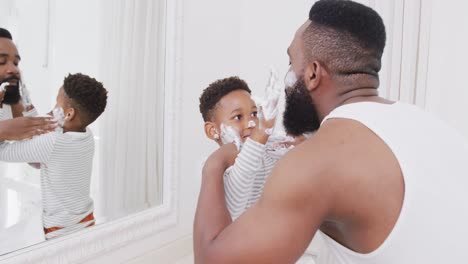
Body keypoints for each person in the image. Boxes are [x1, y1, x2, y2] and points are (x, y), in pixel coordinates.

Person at [194, 0, 468, 263]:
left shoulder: (316, 162)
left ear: (313, 74)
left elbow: (211, 260)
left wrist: (214, 164)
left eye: (291, 63)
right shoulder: (424, 121)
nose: (287, 77)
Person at [0, 73, 108, 239]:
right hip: (86, 221)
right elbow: (46, 129)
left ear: (69, 114)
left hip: (59, 231)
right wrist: (25, 98)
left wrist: (1, 113)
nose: (52, 109)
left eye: (57, 104)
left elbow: (3, 152)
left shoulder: (53, 143)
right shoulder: (85, 136)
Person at [0, 27, 55, 140]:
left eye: (16, 63)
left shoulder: (12, 105)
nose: (14, 70)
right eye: (1, 62)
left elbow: (35, 149)